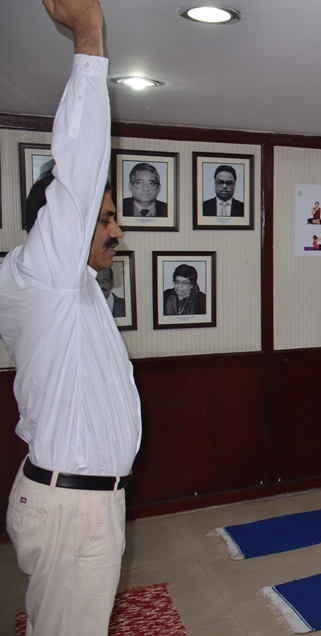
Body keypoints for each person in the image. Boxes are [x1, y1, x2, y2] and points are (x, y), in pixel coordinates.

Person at [0, 1, 142, 633]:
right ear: (61, 227)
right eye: (105, 218)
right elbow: (78, 171)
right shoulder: (43, 272)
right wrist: (89, 39)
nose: (117, 228)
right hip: (70, 505)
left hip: (83, 501)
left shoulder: (73, 287)